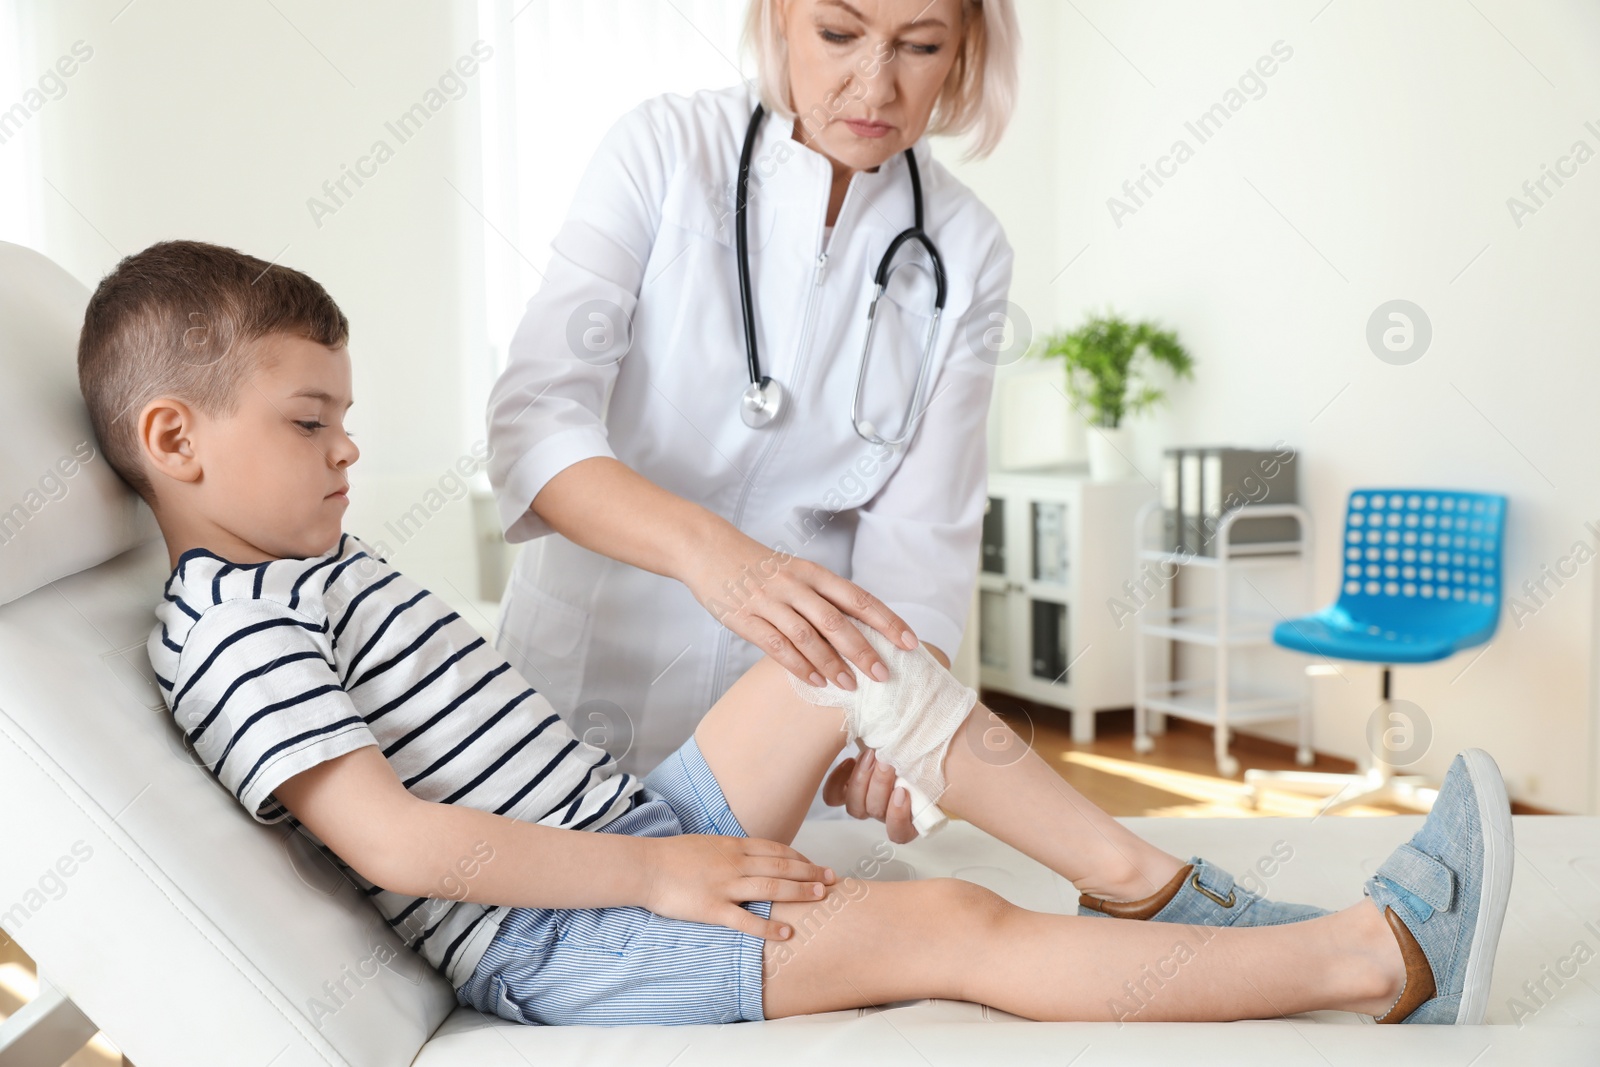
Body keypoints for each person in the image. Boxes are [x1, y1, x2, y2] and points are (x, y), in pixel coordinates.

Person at [85, 241, 1511, 1027]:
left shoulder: (311, 568)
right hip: (564, 938)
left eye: (342, 416)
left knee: (842, 639)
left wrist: (672, 832)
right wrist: (658, 872)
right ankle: (1377, 959)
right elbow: (396, 843)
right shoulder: (234, 622)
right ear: (174, 438)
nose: (348, 448)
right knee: (949, 919)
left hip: (622, 830)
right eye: (310, 421)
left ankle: (1146, 884)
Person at [484, 0, 1023, 835]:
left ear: (966, 50)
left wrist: (904, 709)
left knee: (762, 943)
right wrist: (715, 556)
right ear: (779, 16)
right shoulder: (663, 149)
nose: (874, 85)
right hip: (579, 698)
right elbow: (534, 417)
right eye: (838, 35)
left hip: (792, 732)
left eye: (920, 46)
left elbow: (923, 532)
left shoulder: (967, 246)